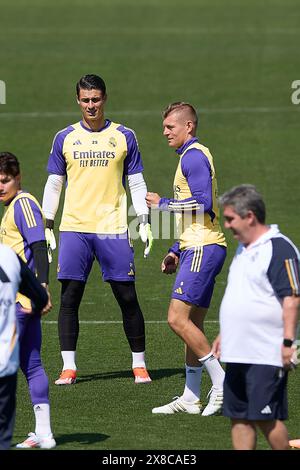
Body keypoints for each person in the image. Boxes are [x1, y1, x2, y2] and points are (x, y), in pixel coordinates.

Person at [42, 74, 153, 385]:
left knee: (126, 296)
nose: (91, 105)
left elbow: (136, 181)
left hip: (113, 227)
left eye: (96, 99)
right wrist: (48, 223)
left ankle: (139, 364)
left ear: (105, 99)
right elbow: (54, 183)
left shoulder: (124, 136)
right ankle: (69, 367)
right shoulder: (64, 137)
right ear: (78, 100)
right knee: (70, 296)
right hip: (75, 227)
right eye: (85, 100)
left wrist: (143, 219)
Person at [146, 102, 227, 416]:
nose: (165, 132)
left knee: (176, 319)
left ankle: (220, 382)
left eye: (170, 127)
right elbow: (194, 215)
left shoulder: (193, 156)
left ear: (188, 126)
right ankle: (191, 396)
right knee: (193, 323)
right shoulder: (190, 157)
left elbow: (204, 203)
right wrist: (175, 250)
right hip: (200, 246)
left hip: (203, 248)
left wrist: (163, 204)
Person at [212, 184, 300, 450]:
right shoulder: (244, 248)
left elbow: (292, 297)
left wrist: (287, 343)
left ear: (249, 216)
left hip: (266, 350)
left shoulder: (278, 248)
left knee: (265, 418)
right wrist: (225, 333)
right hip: (238, 349)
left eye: (230, 219)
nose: (227, 225)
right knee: (238, 417)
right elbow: (243, 296)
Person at [0, 152, 56, 449]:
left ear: (18, 177)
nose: (1, 186)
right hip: (23, 301)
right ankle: (44, 433)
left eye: (5, 180)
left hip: (19, 303)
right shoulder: (12, 208)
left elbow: (38, 243)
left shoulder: (22, 204)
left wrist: (42, 287)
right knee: (31, 364)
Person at [0, 244, 49, 450]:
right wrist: (36, 309)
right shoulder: (7, 256)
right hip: (5, 362)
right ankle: (45, 432)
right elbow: (40, 296)